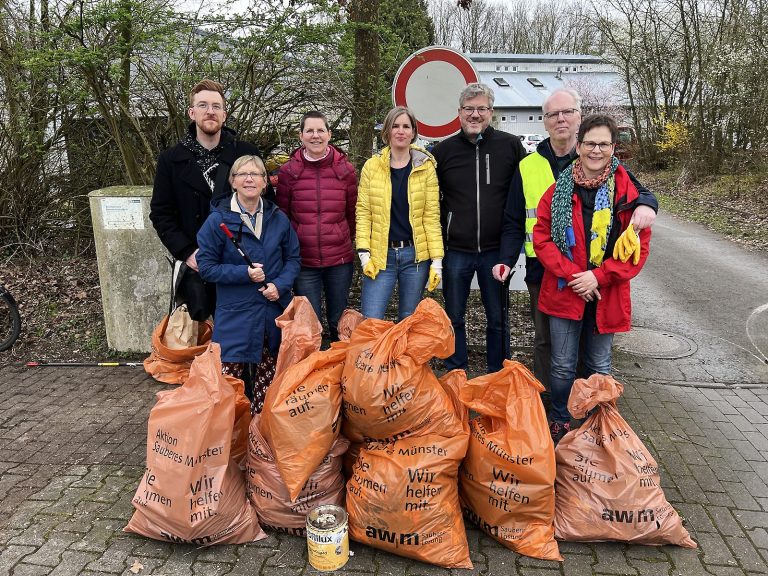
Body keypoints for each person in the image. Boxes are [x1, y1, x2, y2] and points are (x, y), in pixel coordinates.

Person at [493, 88, 657, 404]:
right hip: (548, 272)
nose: (561, 119)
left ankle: (589, 414)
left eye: (567, 112)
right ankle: (553, 408)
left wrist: (649, 204)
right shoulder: (533, 168)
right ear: (545, 122)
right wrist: (507, 259)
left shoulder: (615, 175)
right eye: (553, 114)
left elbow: (642, 199)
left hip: (601, 281)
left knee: (593, 356)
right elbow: (519, 222)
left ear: (579, 119)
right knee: (550, 347)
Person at [532, 114, 651, 442]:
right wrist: (576, 276)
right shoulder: (557, 191)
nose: (596, 150)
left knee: (599, 367)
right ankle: (558, 418)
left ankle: (598, 425)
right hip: (565, 291)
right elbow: (541, 237)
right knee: (561, 366)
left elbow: (637, 250)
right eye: (590, 143)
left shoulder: (628, 194)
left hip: (606, 293)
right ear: (579, 146)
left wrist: (598, 277)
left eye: (603, 144)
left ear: (613, 148)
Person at [150, 79, 268, 319]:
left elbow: (268, 206)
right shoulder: (170, 159)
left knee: (242, 334)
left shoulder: (246, 152)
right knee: (200, 334)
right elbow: (161, 213)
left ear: (224, 114)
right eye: (203, 105)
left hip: (241, 262)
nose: (210, 111)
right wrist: (188, 253)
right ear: (192, 113)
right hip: (197, 262)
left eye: (216, 106)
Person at [432, 83, 526, 373]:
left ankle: (497, 376)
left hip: (495, 251)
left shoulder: (510, 146)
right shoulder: (442, 151)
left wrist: (510, 253)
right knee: (454, 318)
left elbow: (522, 197)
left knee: (498, 319)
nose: (475, 114)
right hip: (456, 251)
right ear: (459, 113)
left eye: (481, 108)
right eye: (469, 109)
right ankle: (456, 375)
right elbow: (431, 202)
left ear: (491, 112)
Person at [196, 155, 300, 413]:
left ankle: (260, 435)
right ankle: (232, 437)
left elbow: (293, 259)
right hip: (236, 314)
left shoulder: (278, 218)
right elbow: (207, 267)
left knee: (269, 379)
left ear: (265, 183)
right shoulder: (217, 221)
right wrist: (244, 273)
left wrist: (280, 285)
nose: (250, 179)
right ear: (233, 181)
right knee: (228, 383)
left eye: (256, 174)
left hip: (271, 311)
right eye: (243, 174)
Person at [356, 106, 443, 320]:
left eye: (406, 126)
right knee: (371, 319)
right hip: (380, 255)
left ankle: (401, 356)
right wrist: (364, 254)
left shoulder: (426, 167)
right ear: (387, 131)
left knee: (408, 320)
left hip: (415, 257)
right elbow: (364, 212)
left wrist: (437, 260)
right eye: (395, 126)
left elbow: (431, 217)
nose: (400, 131)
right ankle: (374, 356)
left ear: (413, 132)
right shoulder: (372, 166)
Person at [276, 111, 358, 341]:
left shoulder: (345, 171)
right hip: (304, 261)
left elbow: (352, 213)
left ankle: (340, 370)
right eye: (309, 131)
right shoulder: (288, 172)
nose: (315, 136)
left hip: (339, 261)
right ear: (301, 136)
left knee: (338, 322)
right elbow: (283, 216)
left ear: (329, 134)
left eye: (320, 130)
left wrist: (342, 238)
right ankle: (313, 373)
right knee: (309, 325)